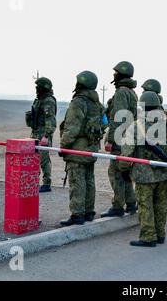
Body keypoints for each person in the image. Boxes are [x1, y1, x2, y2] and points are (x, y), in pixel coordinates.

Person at [119, 91, 167, 247]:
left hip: (144, 173)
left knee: (145, 205)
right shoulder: (166, 124)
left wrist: (123, 170)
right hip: (164, 170)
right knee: (161, 205)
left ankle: (148, 236)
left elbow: (127, 152)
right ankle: (160, 234)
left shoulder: (136, 126)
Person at [59, 71, 106, 226]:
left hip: (77, 150)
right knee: (89, 181)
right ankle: (88, 212)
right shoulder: (97, 104)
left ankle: (77, 215)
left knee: (77, 181)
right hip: (91, 149)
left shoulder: (79, 102)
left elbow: (71, 128)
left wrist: (64, 146)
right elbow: (104, 123)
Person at [102, 61, 138, 218]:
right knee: (125, 173)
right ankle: (131, 203)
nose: (114, 75)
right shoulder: (131, 92)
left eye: (116, 72)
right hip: (128, 138)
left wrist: (111, 140)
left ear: (120, 74)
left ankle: (118, 206)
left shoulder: (122, 92)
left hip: (120, 139)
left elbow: (119, 117)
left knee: (116, 173)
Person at [25, 77, 57, 193]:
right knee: (34, 158)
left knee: (43, 159)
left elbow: (50, 119)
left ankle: (47, 183)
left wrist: (46, 135)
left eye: (38, 87)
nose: (36, 89)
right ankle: (34, 182)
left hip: (43, 133)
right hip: (35, 131)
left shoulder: (48, 100)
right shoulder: (39, 100)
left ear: (44, 88)